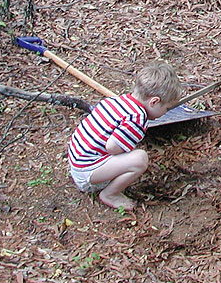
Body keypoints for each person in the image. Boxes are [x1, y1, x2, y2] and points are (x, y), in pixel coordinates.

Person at [67, 61, 183, 210]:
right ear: (154, 102)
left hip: (77, 163)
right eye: (166, 108)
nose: (165, 112)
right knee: (139, 159)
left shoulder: (116, 101)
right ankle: (110, 194)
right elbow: (112, 147)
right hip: (87, 174)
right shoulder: (137, 118)